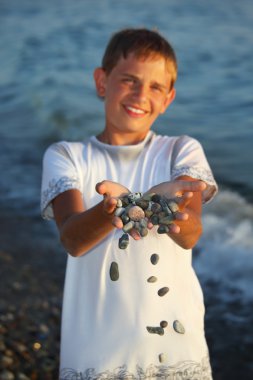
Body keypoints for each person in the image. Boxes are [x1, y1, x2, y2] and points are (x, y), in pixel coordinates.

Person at [41, 28, 217, 380]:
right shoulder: (67, 156)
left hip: (176, 345)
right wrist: (117, 208)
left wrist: (142, 204)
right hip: (96, 352)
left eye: (155, 87)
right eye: (129, 80)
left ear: (168, 99)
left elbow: (190, 234)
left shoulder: (182, 150)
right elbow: (73, 239)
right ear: (102, 81)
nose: (140, 94)